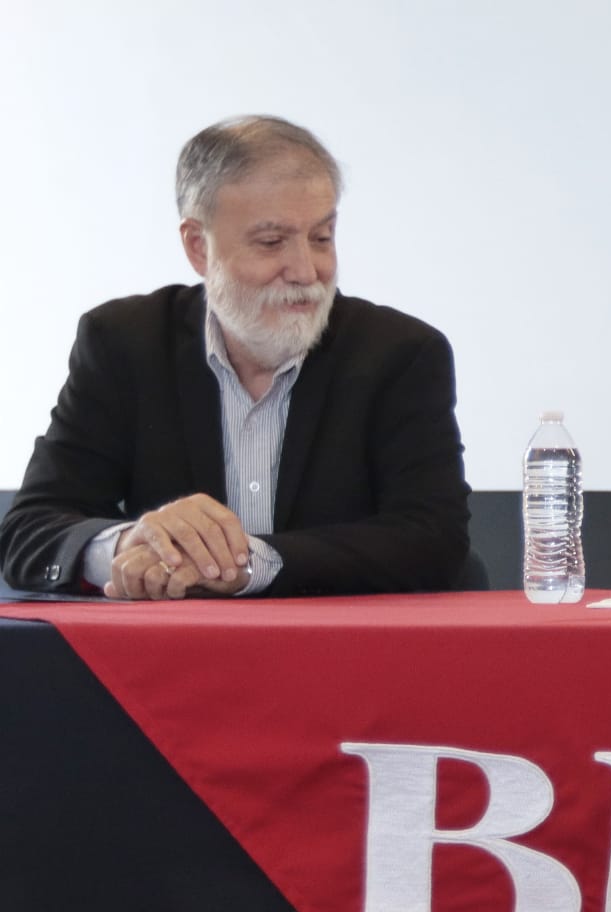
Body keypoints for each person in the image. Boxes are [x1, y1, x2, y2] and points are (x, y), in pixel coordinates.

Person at [0, 116, 470, 598]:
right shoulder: (123, 343)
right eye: (272, 243)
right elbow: (28, 533)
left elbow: (433, 541)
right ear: (198, 247)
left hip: (345, 658)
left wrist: (243, 565)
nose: (307, 270)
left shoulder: (402, 354)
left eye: (321, 237)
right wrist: (128, 545)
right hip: (174, 662)